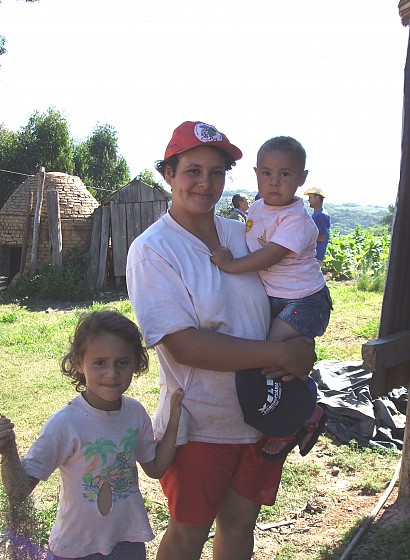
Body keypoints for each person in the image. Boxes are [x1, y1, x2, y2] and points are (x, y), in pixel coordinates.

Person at [126, 121, 316, 560]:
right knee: (188, 534)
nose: (205, 183)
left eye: (216, 173)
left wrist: (301, 340)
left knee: (240, 525)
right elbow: (184, 345)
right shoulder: (154, 250)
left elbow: (291, 288)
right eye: (192, 170)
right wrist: (281, 353)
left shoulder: (243, 234)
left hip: (262, 413)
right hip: (199, 423)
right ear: (168, 174)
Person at [0, 310, 183, 560]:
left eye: (122, 362)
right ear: (78, 363)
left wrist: (175, 421)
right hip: (76, 548)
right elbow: (18, 492)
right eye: (99, 363)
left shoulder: (135, 413)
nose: (112, 373)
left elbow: (155, 468)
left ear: (136, 363)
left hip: (127, 541)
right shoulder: (65, 424)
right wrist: (7, 451)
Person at [211, 136, 332, 460]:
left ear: (301, 178)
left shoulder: (297, 220)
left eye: (285, 174)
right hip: (279, 299)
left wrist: (230, 265)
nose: (274, 181)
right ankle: (307, 413)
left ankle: (296, 419)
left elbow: (270, 255)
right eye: (266, 173)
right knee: (273, 359)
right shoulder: (258, 208)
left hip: (304, 301)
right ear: (256, 174)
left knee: (274, 358)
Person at [304, 187, 331, 265]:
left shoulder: (321, 215)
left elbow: (321, 237)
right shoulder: (316, 214)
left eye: (310, 197)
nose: (308, 200)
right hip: (312, 256)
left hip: (315, 256)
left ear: (317, 198)